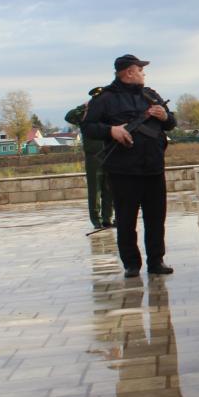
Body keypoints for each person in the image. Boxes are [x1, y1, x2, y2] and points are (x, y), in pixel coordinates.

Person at [81, 55, 176, 278]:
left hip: (153, 166)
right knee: (126, 219)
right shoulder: (104, 99)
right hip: (123, 170)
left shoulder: (151, 95)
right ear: (129, 73)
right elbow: (88, 127)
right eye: (140, 70)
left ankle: (156, 261)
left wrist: (165, 116)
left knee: (156, 217)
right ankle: (132, 264)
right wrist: (111, 131)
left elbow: (171, 123)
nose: (144, 74)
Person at [65, 88, 113, 230]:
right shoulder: (85, 114)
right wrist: (84, 107)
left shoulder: (107, 112)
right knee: (95, 189)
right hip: (93, 156)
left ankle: (107, 219)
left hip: (108, 154)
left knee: (109, 188)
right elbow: (69, 117)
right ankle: (96, 220)